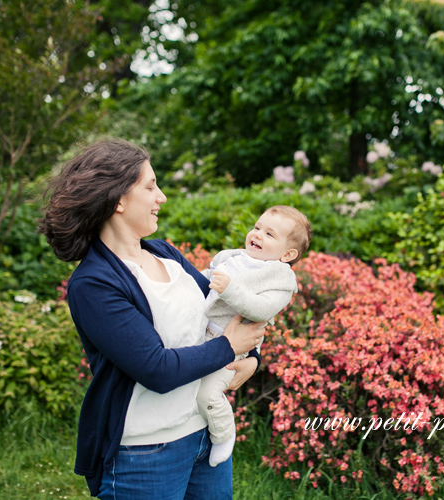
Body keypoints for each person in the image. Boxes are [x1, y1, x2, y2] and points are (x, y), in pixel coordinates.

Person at [38, 138, 265, 499]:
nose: (161, 197)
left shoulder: (164, 253)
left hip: (205, 436)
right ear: (118, 200)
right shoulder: (94, 283)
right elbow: (156, 369)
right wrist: (229, 348)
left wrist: (250, 358)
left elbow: (223, 312)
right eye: (150, 185)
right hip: (145, 454)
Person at [198, 206, 312, 467]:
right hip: (201, 332)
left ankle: (224, 435)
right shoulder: (234, 258)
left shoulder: (281, 278)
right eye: (258, 227)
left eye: (269, 234)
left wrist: (231, 290)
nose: (257, 235)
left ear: (288, 254)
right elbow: (205, 279)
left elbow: (262, 310)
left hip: (236, 348)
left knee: (208, 394)